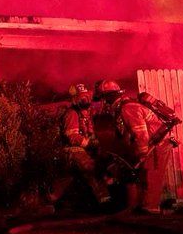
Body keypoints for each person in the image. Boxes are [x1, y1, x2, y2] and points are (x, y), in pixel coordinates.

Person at [95, 80, 174, 214]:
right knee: (145, 176)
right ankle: (143, 207)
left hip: (158, 144)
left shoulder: (127, 108)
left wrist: (141, 154)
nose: (103, 103)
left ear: (108, 97)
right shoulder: (122, 107)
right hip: (151, 143)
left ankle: (150, 211)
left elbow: (140, 133)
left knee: (151, 177)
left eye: (103, 99)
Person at [49, 84, 111, 208]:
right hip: (74, 150)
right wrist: (89, 143)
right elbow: (72, 137)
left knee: (68, 177)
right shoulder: (72, 113)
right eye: (82, 98)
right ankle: (105, 202)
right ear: (75, 99)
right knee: (92, 170)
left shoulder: (86, 114)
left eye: (87, 97)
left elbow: (91, 133)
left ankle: (50, 199)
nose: (85, 100)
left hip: (80, 150)